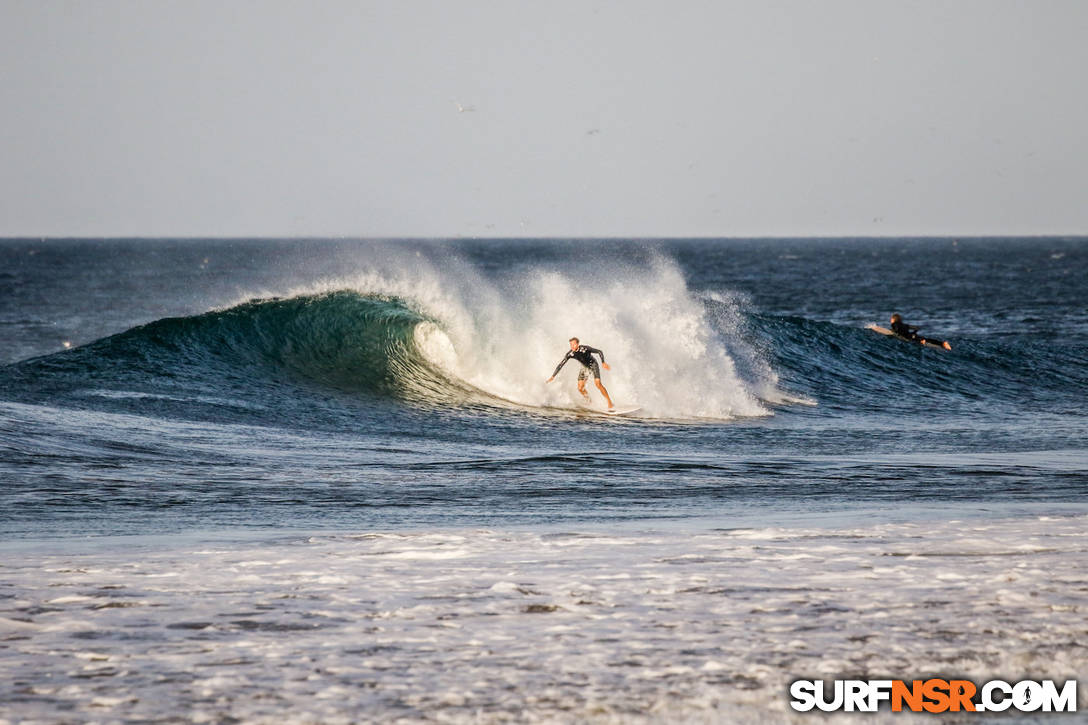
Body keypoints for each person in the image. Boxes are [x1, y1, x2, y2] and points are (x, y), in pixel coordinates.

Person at [546, 337, 614, 410]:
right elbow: (561, 364)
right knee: (580, 388)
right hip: (585, 367)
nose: (572, 346)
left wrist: (603, 362)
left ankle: (609, 402)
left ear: (577, 344)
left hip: (593, 364)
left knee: (598, 384)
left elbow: (599, 351)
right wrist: (553, 376)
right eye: (570, 345)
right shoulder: (570, 353)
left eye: (573, 344)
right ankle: (589, 401)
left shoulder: (585, 348)